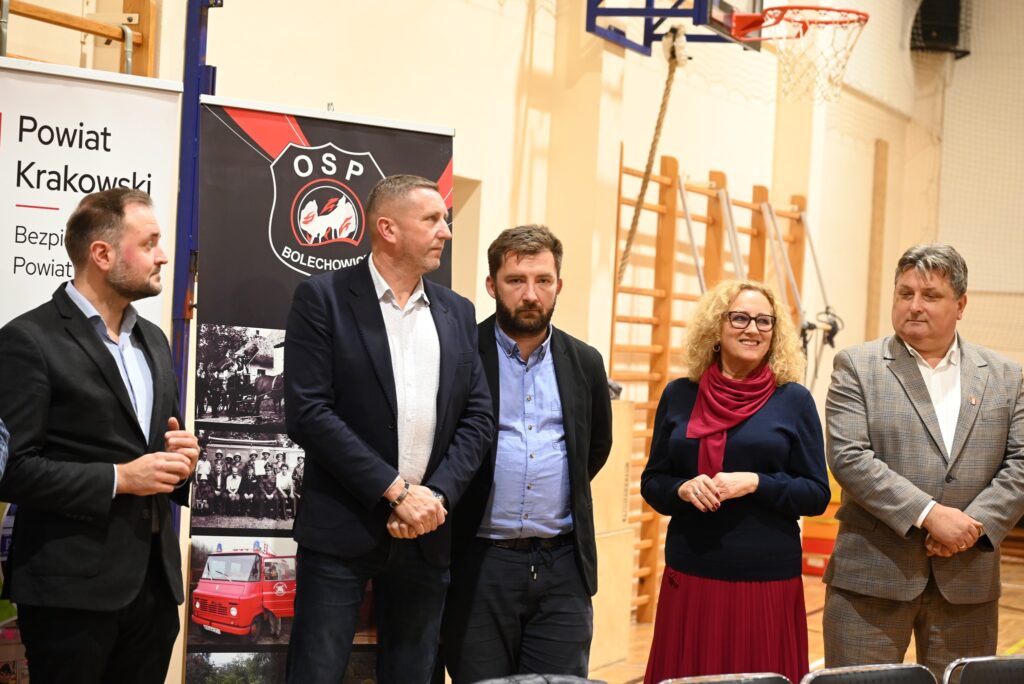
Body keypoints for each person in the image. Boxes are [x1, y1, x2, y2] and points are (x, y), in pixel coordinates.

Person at [284, 174, 494, 683]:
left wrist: (434, 497)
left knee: (413, 675)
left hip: (427, 531)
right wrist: (396, 492)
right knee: (316, 673)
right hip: (342, 530)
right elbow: (310, 413)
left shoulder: (457, 311)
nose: (445, 231)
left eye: (445, 219)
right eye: (432, 219)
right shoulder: (323, 298)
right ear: (388, 229)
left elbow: (478, 417)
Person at [0, 188, 200, 683]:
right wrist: (120, 479)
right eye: (149, 242)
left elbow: (159, 447)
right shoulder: (28, 340)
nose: (163, 255)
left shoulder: (154, 339)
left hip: (154, 591)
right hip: (69, 596)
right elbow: (12, 469)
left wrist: (182, 462)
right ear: (103, 254)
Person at [823, 243, 1024, 678]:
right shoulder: (856, 366)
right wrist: (931, 515)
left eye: (930, 295)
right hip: (872, 578)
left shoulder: (1007, 376)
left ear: (961, 305)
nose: (914, 305)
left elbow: (1021, 463)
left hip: (968, 580)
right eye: (905, 293)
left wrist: (972, 528)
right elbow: (849, 457)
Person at [444, 225, 613, 682]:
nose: (531, 294)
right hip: (480, 562)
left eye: (543, 280)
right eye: (516, 280)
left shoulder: (585, 361)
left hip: (563, 567)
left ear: (559, 285)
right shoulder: (461, 354)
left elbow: (594, 448)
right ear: (492, 285)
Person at [641, 279, 830, 684]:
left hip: (765, 579)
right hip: (692, 572)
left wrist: (757, 482)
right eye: (740, 318)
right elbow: (653, 480)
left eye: (764, 321)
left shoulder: (793, 400)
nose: (753, 329)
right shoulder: (679, 395)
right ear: (716, 326)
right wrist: (681, 488)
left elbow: (816, 494)